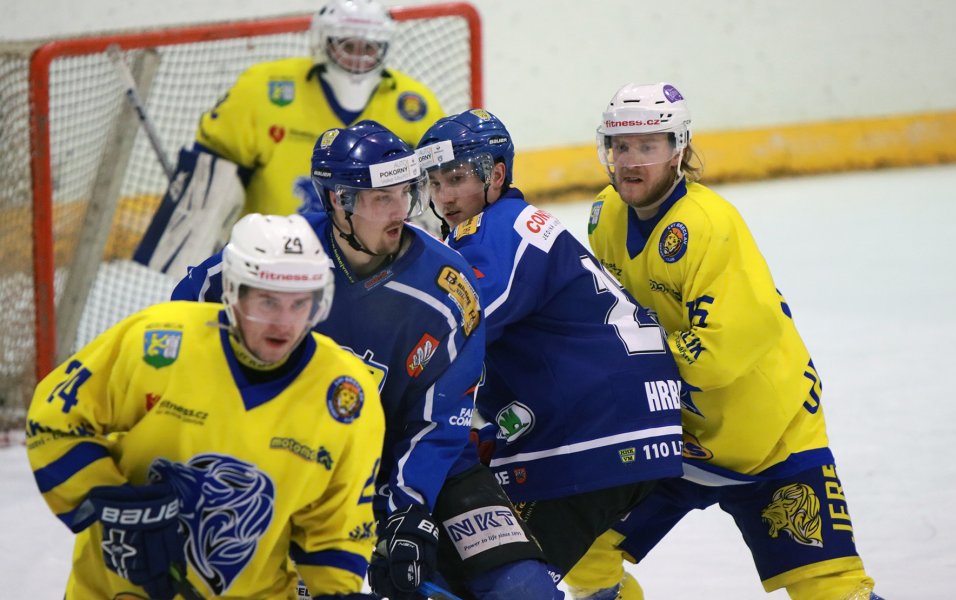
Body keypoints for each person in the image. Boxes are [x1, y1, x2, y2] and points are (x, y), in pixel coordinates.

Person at [172, 120, 564, 599]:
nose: (401, 211)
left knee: (525, 591)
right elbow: (185, 318)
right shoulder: (283, 258)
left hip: (430, 467)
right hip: (305, 464)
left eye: (405, 193)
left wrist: (407, 508)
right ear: (339, 200)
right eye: (383, 199)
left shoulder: (446, 285)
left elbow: (441, 421)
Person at [563, 82, 882, 600]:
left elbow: (717, 353)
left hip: (770, 438)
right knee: (581, 544)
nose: (630, 162)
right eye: (620, 146)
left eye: (648, 146)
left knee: (831, 590)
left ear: (679, 150)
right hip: (673, 434)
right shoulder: (606, 214)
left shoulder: (710, 225)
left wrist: (618, 361)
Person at [26, 214, 384, 599]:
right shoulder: (157, 341)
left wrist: (337, 594)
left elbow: (336, 523)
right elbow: (54, 422)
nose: (285, 324)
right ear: (232, 292)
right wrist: (115, 507)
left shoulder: (348, 394)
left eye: (300, 304)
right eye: (267, 301)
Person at [416, 109, 685, 584]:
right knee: (580, 571)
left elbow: (462, 329)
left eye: (457, 178)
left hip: (596, 431)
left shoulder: (499, 230)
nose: (445, 196)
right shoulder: (508, 224)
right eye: (436, 183)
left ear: (496, 174)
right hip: (623, 420)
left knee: (496, 578)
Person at [134, 0, 446, 275]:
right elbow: (210, 175)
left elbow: (430, 192)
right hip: (271, 259)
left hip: (371, 264)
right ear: (323, 42)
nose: (358, 58)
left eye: (369, 48)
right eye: (347, 45)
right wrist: (195, 251)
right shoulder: (264, 89)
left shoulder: (414, 104)